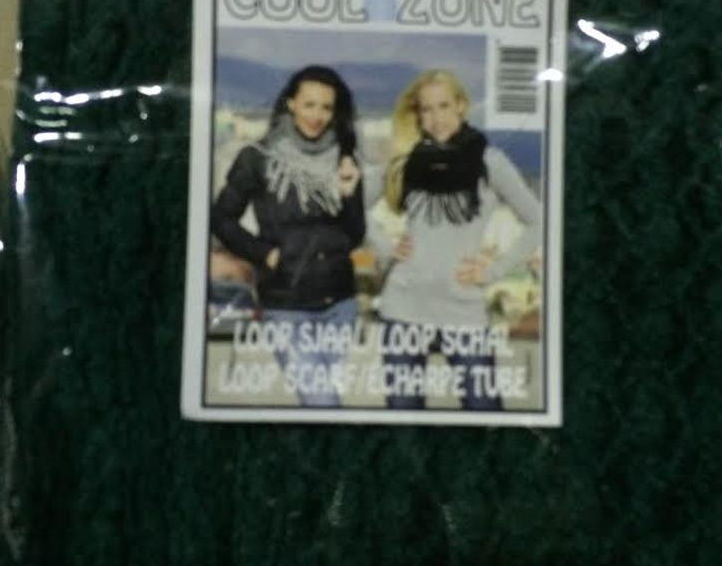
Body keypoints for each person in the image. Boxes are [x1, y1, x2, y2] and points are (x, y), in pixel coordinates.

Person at [372, 69, 541, 410]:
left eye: (444, 106)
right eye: (427, 109)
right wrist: (386, 246)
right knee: (404, 418)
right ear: (418, 114)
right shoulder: (407, 161)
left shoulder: (490, 163)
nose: (436, 118)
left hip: (463, 310)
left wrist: (492, 271)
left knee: (485, 409)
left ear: (461, 106)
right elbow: (349, 206)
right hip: (403, 309)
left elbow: (539, 220)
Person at [211, 65, 365, 407]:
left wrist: (348, 194)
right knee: (322, 401)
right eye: (309, 104)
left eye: (326, 107)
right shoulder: (257, 158)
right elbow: (221, 218)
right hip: (286, 304)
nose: (317, 116)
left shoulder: (345, 160)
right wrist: (265, 254)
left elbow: (354, 236)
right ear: (291, 103)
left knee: (323, 400)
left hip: (340, 303)